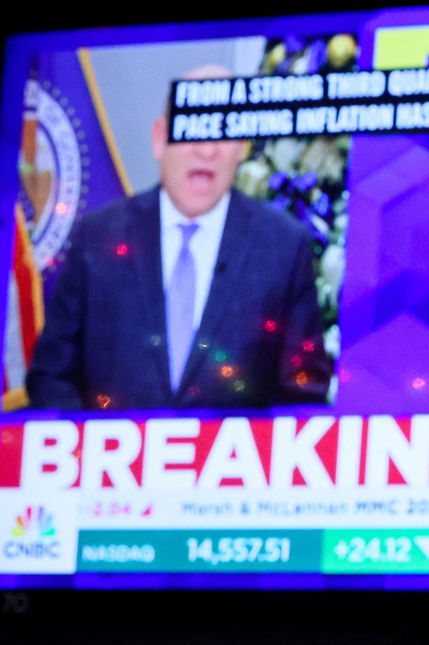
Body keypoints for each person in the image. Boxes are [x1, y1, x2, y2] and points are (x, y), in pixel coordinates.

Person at [25, 66, 330, 411]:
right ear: (159, 138)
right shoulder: (96, 238)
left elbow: (302, 393)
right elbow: (52, 377)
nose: (206, 150)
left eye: (222, 130)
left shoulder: (284, 247)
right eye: (191, 127)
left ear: (242, 147)